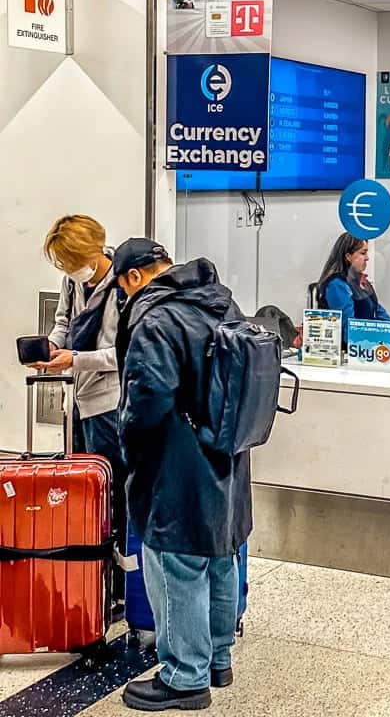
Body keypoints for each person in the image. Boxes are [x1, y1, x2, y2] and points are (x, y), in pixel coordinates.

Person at [114, 239, 251, 712]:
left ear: (133, 277)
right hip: (227, 453)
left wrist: (127, 441)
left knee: (175, 563)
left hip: (176, 460)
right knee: (219, 556)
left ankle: (183, 677)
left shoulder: (157, 318)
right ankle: (217, 658)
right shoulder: (220, 299)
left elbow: (146, 398)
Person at [37, 215, 127, 607]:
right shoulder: (73, 280)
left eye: (72, 261)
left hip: (110, 400)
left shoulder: (124, 286)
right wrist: (50, 347)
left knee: (113, 488)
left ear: (95, 250)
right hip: (78, 396)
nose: (70, 270)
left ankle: (121, 576)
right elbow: (63, 322)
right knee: (84, 487)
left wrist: (74, 359)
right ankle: (90, 567)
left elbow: (123, 354)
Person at [317, 234, 390, 334]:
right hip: (352, 346)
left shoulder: (363, 282)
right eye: (363, 253)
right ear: (348, 256)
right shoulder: (337, 285)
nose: (367, 258)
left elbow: (379, 313)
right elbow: (348, 329)